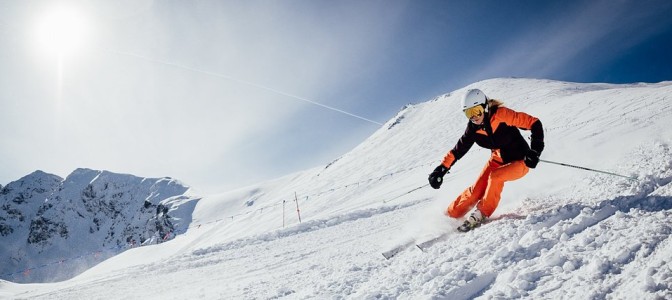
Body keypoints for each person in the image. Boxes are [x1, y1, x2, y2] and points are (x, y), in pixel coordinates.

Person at [428, 88, 544, 232]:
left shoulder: (502, 115)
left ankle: (481, 213)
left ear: (485, 106)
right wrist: (441, 170)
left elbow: (534, 123)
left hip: (521, 161)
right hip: (497, 160)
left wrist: (535, 150)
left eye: (476, 110)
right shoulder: (473, 129)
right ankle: (450, 216)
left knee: (495, 177)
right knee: (475, 191)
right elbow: (458, 150)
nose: (474, 117)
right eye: (468, 113)